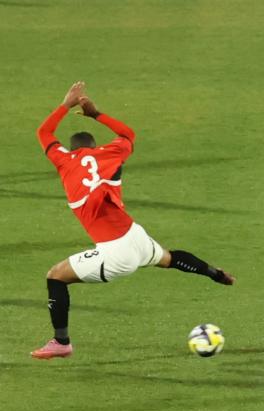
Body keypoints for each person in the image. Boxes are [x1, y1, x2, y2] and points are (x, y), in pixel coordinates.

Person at [31, 81, 235, 360]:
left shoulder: (64, 160)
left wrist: (67, 103)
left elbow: (43, 132)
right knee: (169, 258)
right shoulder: (110, 153)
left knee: (55, 276)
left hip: (116, 251)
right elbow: (128, 134)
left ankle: (61, 342)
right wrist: (96, 114)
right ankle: (216, 273)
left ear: (72, 149)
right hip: (134, 235)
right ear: (94, 146)